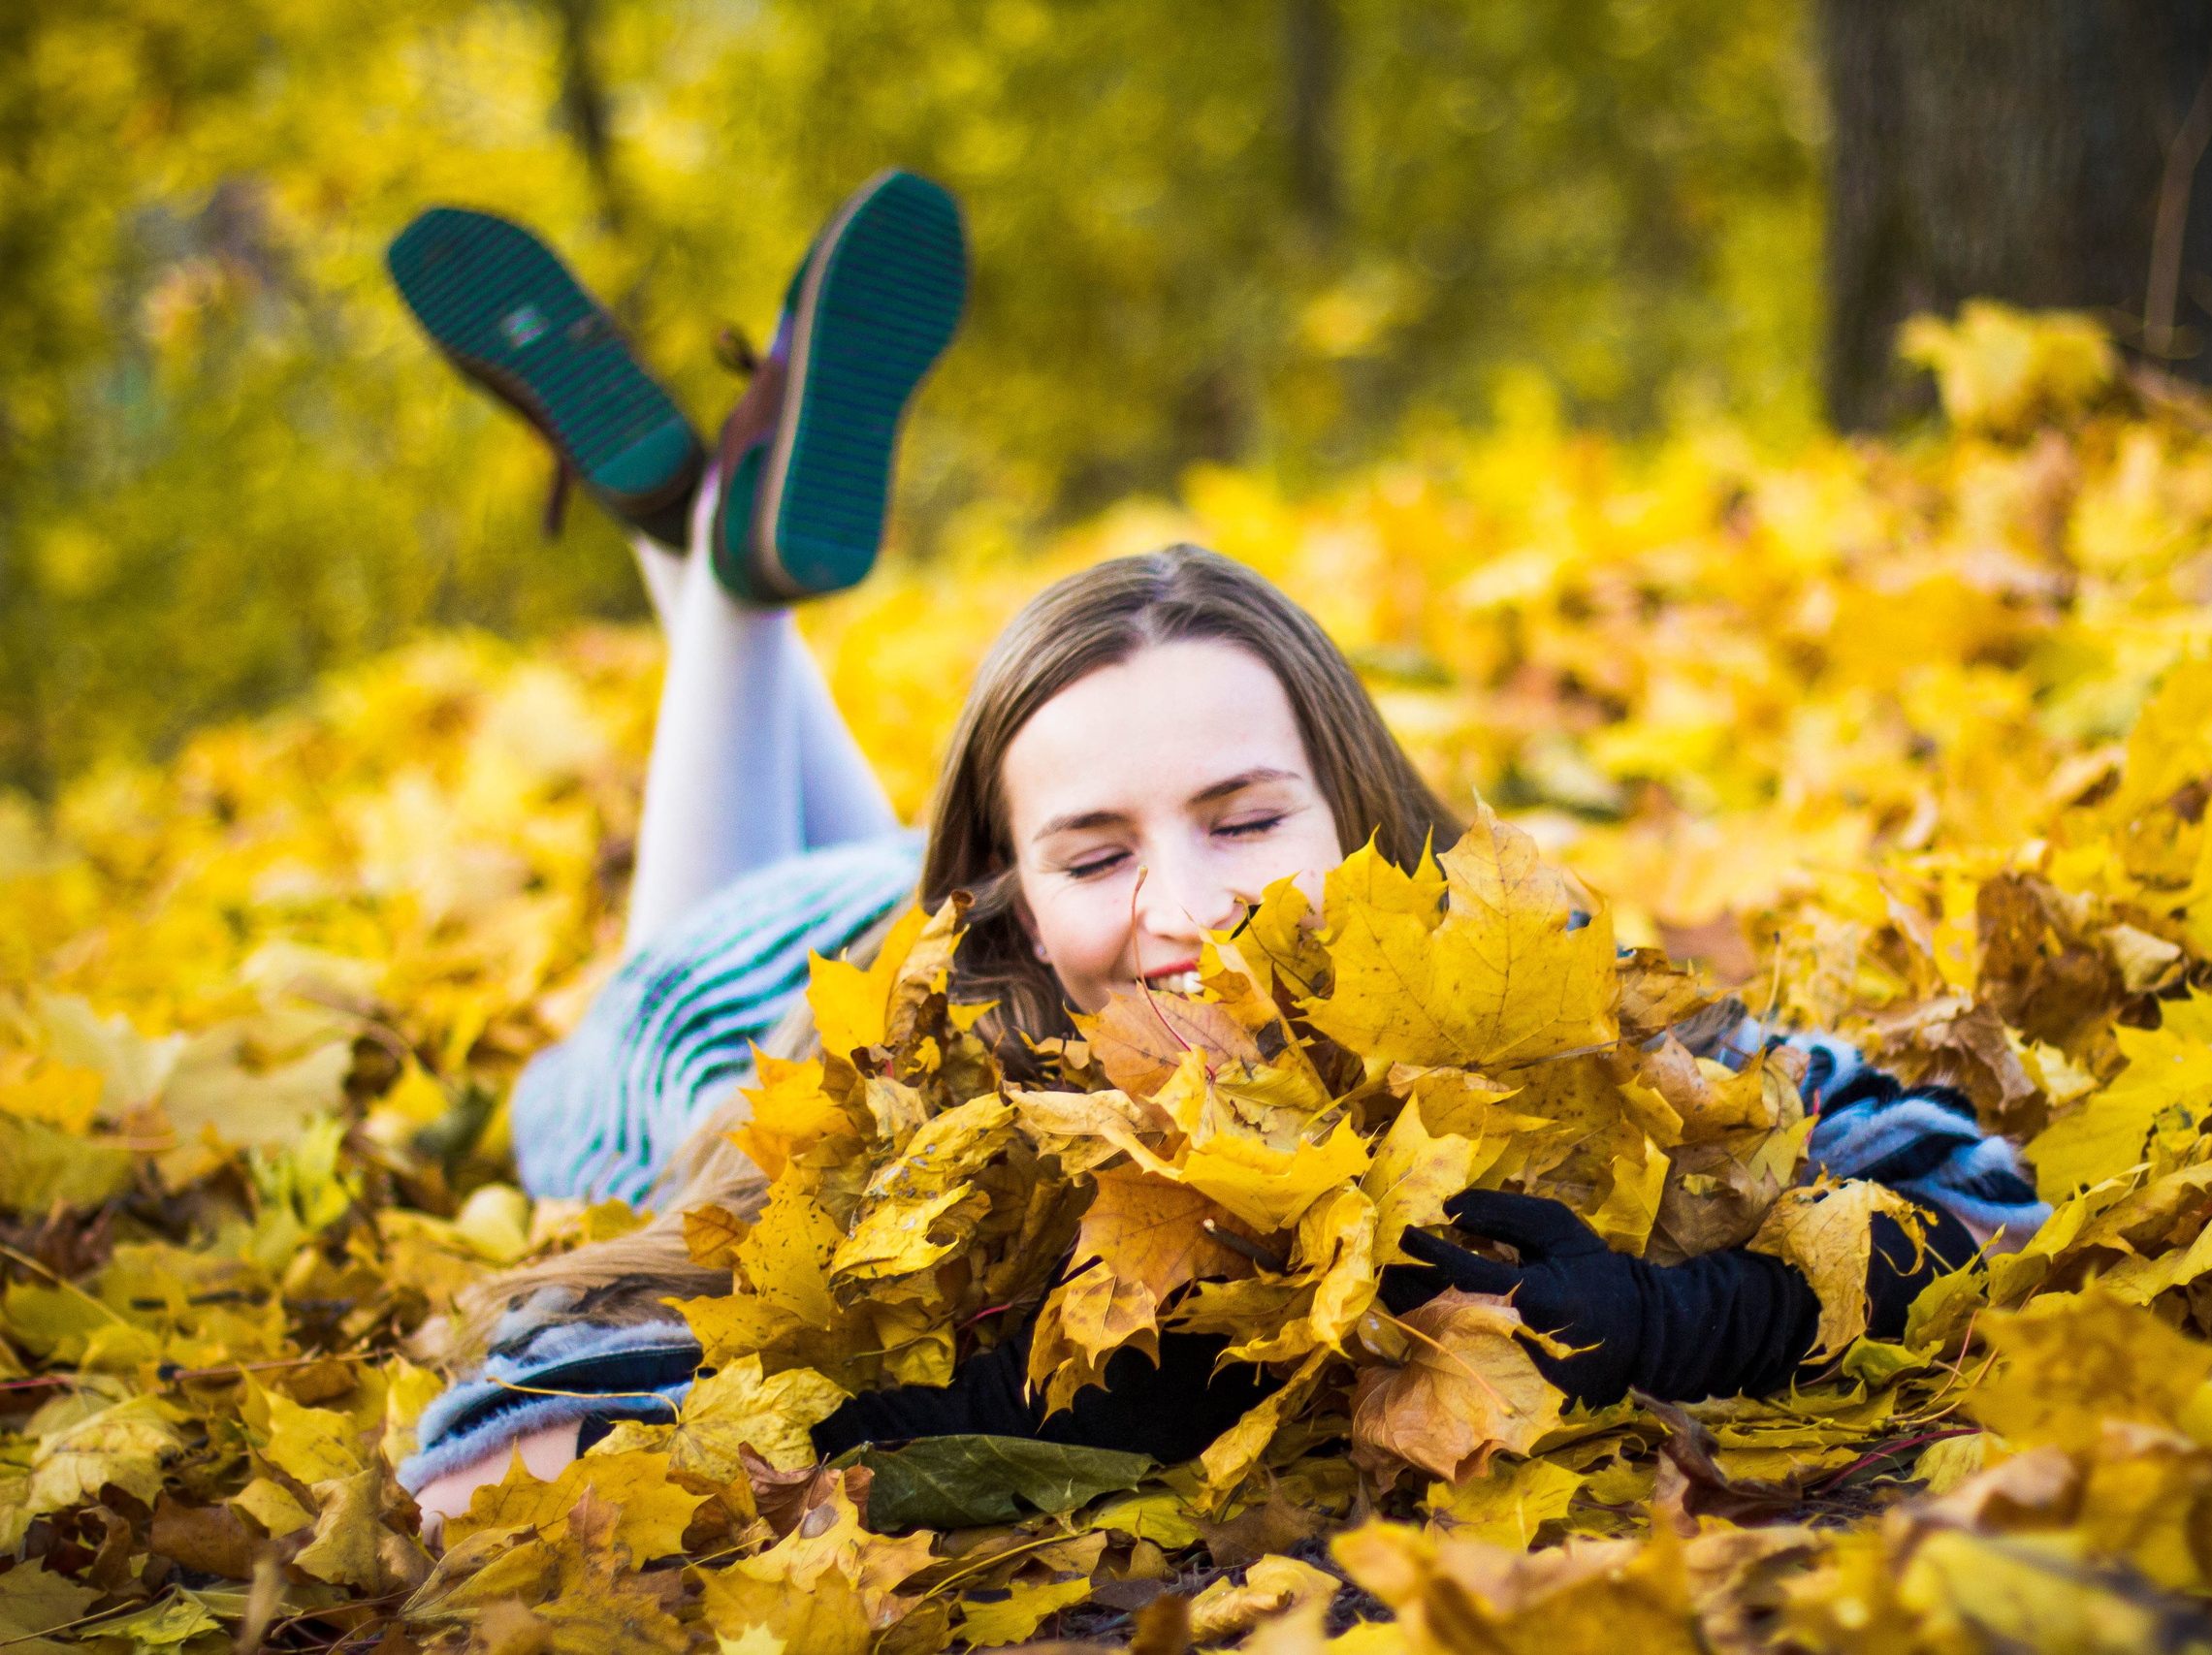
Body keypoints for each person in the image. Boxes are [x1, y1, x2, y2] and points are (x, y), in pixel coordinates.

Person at [386, 173, 2050, 1529]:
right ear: (1009, 897)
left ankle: (705, 552)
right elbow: (486, 1468)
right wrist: (1027, 1398)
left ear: (1356, 809)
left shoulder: (1527, 1001)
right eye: (1099, 848)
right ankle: (720, 579)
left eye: (1248, 821)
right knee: (703, 933)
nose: (1190, 913)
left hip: (934, 885)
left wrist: (1676, 1320)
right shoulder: (856, 1116)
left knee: (838, 760)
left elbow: (1982, 1199)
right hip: (722, 992)